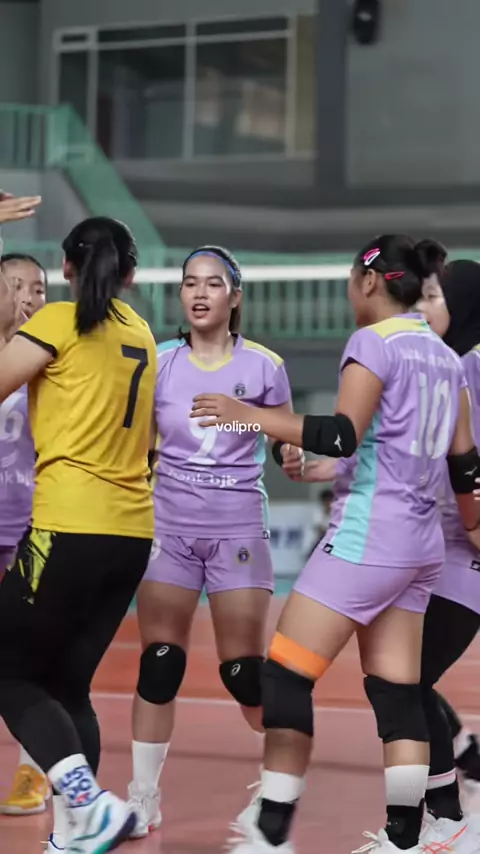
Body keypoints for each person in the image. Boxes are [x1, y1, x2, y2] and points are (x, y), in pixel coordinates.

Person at [191, 234, 480, 854]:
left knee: (287, 675)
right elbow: (465, 469)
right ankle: (404, 838)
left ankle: (271, 831)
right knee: (398, 692)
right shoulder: (444, 357)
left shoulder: (373, 343)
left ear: (369, 281)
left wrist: (246, 414)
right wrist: (475, 530)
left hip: (367, 538)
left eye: (353, 280)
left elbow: (342, 433)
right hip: (423, 548)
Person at [127, 245, 302, 838]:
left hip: (237, 528)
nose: (199, 293)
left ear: (235, 296)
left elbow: (283, 432)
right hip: (169, 526)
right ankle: (143, 797)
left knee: (243, 672)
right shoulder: (159, 361)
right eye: (189, 283)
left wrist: (290, 452)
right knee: (160, 662)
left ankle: (275, 790)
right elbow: (137, 439)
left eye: (213, 283)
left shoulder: (264, 366)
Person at [0, 216, 156, 854]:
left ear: (65, 268)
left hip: (67, 525)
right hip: (131, 533)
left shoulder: (56, 322)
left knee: (8, 669)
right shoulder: (140, 331)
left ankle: (87, 806)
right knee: (67, 684)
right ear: (129, 275)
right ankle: (72, 836)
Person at [416, 260, 480, 844]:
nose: (420, 305)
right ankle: (462, 758)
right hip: (428, 558)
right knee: (401, 678)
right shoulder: (440, 368)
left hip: (465, 560)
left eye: (433, 296)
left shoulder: (467, 372)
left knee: (406, 682)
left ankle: (448, 820)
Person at [0, 253, 49, 818]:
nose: (29, 297)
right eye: (17, 286)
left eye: (39, 288)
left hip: (35, 528)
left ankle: (34, 771)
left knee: (33, 650)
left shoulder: (53, 359)